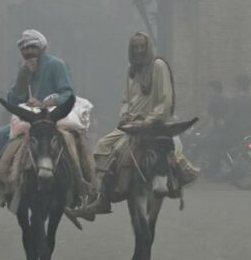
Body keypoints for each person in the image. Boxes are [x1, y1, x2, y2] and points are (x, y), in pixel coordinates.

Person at [0, 29, 73, 220]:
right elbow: (13, 100)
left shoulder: (56, 65)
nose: (29, 52)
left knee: (75, 146)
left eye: (33, 47)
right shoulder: (24, 69)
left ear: (41, 47)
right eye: (25, 49)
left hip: (51, 119)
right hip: (28, 119)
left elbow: (67, 94)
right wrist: (22, 78)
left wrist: (45, 103)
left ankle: (83, 190)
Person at [67, 32, 174, 222]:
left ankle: (172, 180)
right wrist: (124, 114)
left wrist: (149, 120)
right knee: (102, 145)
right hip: (132, 124)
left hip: (153, 124)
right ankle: (99, 198)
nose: (139, 50)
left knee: (123, 149)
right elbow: (126, 99)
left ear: (148, 47)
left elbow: (165, 101)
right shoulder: (131, 70)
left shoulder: (158, 66)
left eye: (142, 47)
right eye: (135, 47)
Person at [227, 74, 251, 141]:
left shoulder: (233, 100)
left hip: (236, 134)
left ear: (238, 86)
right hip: (249, 133)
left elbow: (230, 117)